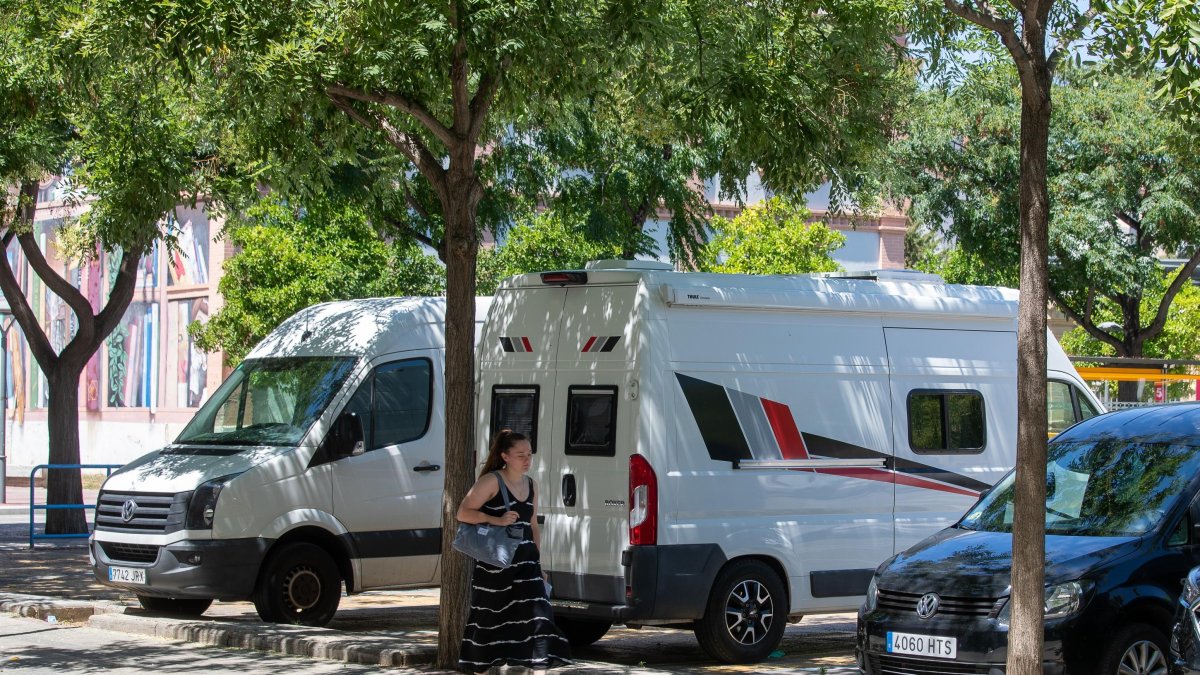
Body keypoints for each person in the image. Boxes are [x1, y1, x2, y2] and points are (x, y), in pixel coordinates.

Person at [457, 430, 572, 674]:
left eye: (529, 454)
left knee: (540, 618)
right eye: (520, 455)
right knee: (488, 621)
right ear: (505, 456)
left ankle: (539, 669)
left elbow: (533, 526)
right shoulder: (491, 481)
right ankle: (480, 669)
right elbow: (463, 513)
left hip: (526, 565)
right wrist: (496, 519)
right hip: (495, 566)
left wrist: (538, 565)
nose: (527, 459)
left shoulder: (532, 485)